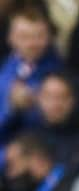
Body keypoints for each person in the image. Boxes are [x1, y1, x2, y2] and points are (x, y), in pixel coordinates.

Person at [0, 6, 61, 147]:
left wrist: (38, 102)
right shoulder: (4, 70)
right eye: (24, 36)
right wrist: (11, 107)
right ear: (10, 38)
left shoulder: (61, 72)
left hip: (44, 148)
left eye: (38, 36)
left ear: (49, 37)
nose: (32, 43)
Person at [35, 72, 79, 174]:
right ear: (39, 99)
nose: (54, 104)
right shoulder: (28, 134)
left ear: (73, 101)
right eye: (48, 97)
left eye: (61, 97)